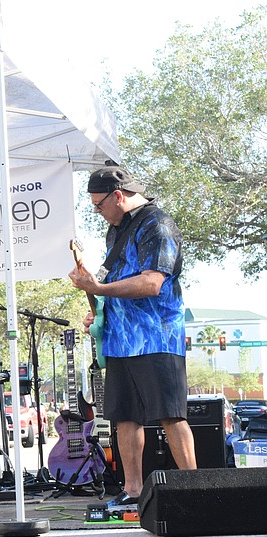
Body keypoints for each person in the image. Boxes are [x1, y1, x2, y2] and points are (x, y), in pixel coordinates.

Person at [68, 165, 196, 508]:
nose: (97, 212)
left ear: (118, 196)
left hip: (157, 337)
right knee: (124, 415)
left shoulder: (158, 224)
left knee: (171, 414)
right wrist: (96, 305)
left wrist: (99, 287)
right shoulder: (117, 230)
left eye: (98, 205)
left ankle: (192, 489)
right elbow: (112, 282)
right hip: (119, 340)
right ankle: (133, 489)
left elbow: (152, 283)